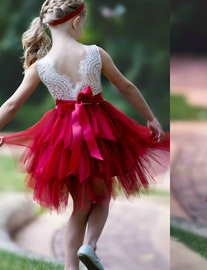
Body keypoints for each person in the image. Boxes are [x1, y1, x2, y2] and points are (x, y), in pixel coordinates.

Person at [0, 1, 169, 270]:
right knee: (101, 199)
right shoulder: (94, 53)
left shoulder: (40, 66)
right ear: (77, 21)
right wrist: (151, 118)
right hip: (101, 131)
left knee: (80, 208)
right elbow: (125, 87)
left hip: (64, 140)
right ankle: (90, 246)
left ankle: (71, 267)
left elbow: (11, 105)